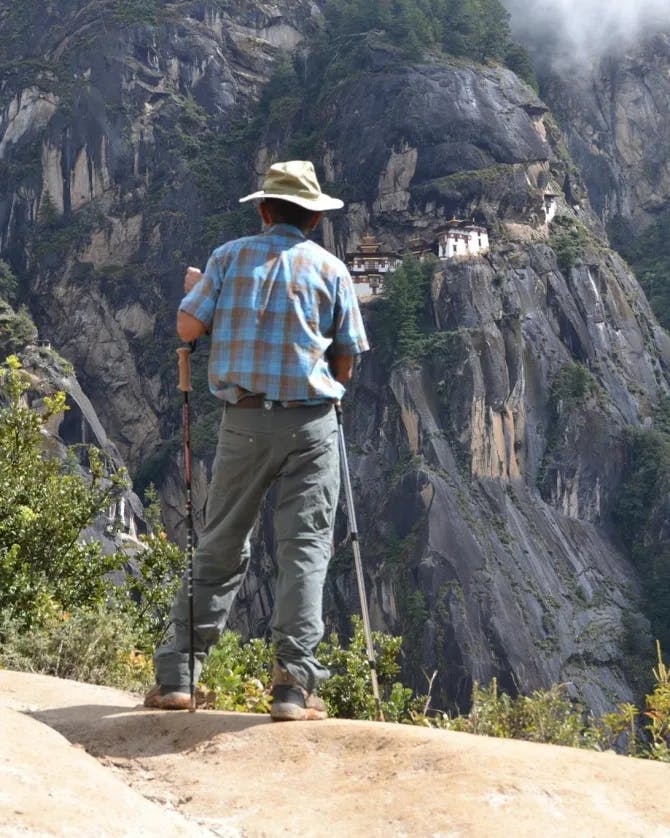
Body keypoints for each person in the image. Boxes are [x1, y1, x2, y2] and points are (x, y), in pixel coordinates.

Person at [144, 161, 369, 720]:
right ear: (315, 218)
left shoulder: (227, 258)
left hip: (242, 422)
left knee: (220, 543)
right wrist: (325, 387)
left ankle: (179, 677)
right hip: (312, 424)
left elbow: (187, 329)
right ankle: (292, 688)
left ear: (264, 209)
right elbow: (346, 357)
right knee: (306, 549)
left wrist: (201, 293)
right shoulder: (332, 270)